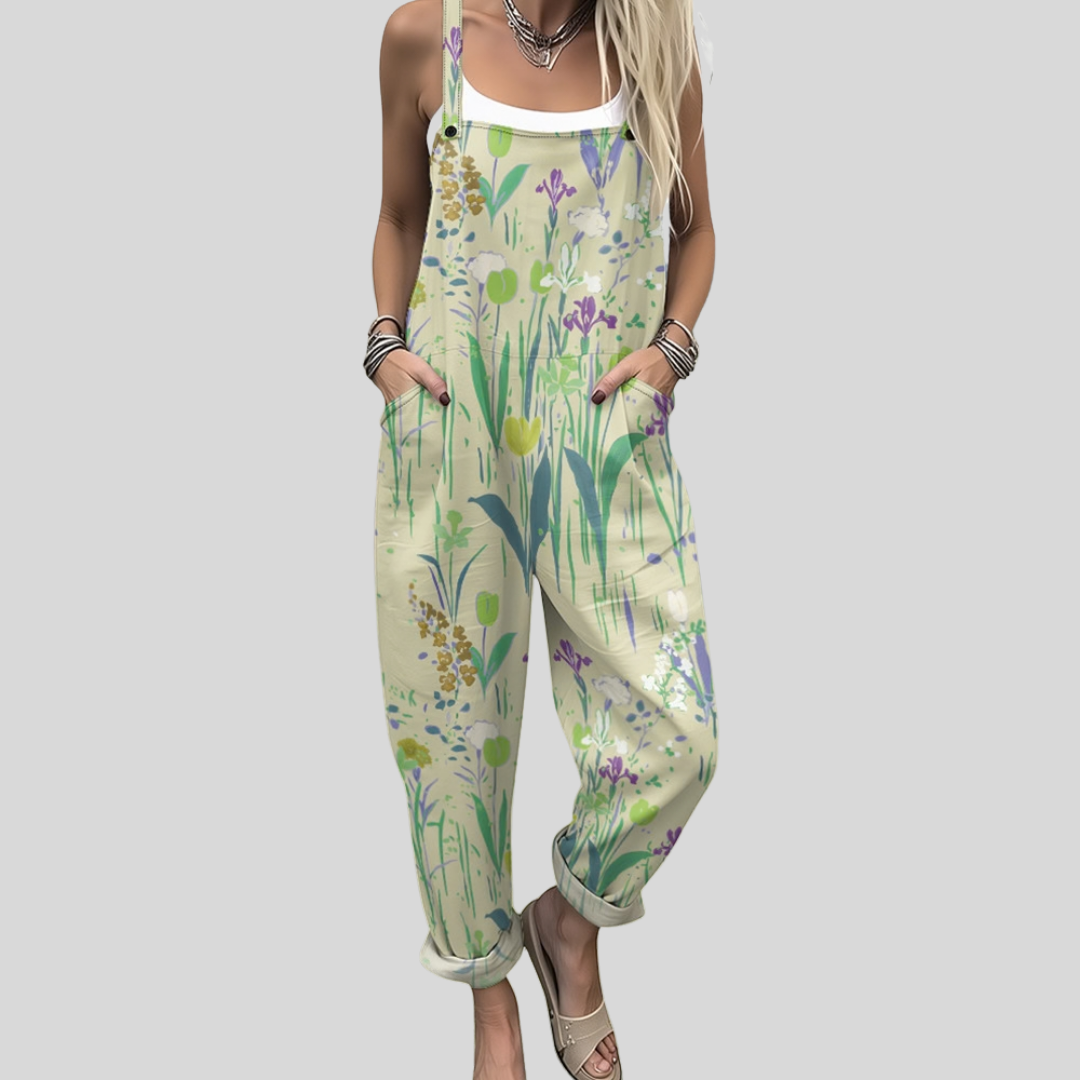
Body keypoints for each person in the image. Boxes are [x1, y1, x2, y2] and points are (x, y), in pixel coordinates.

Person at [368, 1, 716, 1076]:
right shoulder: (426, 35)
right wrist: (384, 349)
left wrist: (668, 354)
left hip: (599, 434)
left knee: (679, 736)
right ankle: (490, 999)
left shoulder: (654, 46)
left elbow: (697, 230)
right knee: (452, 735)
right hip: (452, 422)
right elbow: (398, 215)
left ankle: (569, 920)